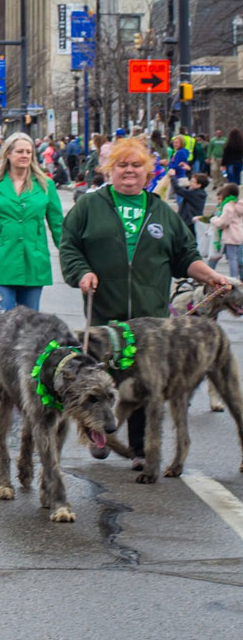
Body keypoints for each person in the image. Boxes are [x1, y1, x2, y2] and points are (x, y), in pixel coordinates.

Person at [59, 135, 231, 469]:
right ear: (110, 169)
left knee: (144, 381)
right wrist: (81, 272)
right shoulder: (89, 207)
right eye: (121, 165)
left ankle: (139, 449)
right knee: (102, 381)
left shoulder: (162, 212)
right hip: (104, 314)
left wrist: (209, 275)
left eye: (136, 165)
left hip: (149, 320)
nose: (129, 171)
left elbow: (185, 256)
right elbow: (70, 247)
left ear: (148, 172)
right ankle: (99, 436)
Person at [0, 133, 64, 316]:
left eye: (29, 152)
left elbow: (58, 226)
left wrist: (75, 261)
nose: (25, 155)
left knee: (30, 324)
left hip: (34, 261)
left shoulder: (46, 185)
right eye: (20, 151)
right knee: (4, 320)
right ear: (8, 155)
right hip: (2, 261)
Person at [208, 183, 243, 279]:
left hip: (231, 236)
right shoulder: (238, 205)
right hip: (239, 235)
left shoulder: (228, 206)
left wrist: (213, 219)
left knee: (232, 259)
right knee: (239, 259)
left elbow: (223, 222)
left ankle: (233, 278)